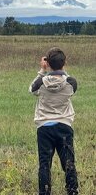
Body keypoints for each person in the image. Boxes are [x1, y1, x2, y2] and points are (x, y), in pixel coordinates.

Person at [29, 47, 79, 195]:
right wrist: (60, 70)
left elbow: (31, 89)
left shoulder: (41, 83)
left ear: (48, 63)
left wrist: (43, 70)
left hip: (44, 127)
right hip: (64, 126)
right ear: (64, 63)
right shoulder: (71, 83)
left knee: (44, 165)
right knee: (69, 164)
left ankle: (44, 192)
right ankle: (72, 191)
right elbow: (68, 81)